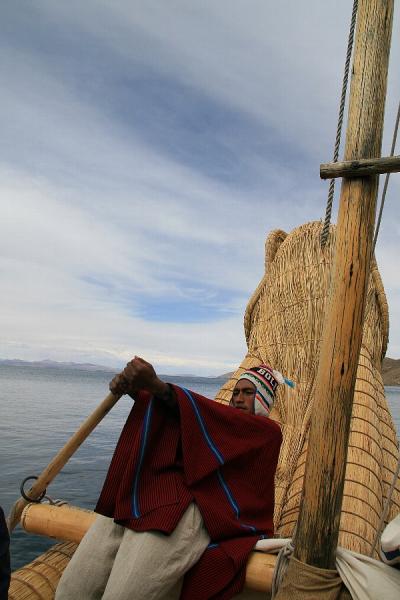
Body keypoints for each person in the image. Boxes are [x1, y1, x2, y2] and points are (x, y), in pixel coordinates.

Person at [56, 357, 283, 600]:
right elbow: (184, 421)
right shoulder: (223, 428)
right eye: (236, 392)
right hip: (151, 495)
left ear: (263, 399)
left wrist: (156, 386)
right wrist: (139, 393)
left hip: (193, 512)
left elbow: (202, 415)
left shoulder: (267, 433)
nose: (238, 398)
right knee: (73, 587)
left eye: (248, 392)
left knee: (125, 593)